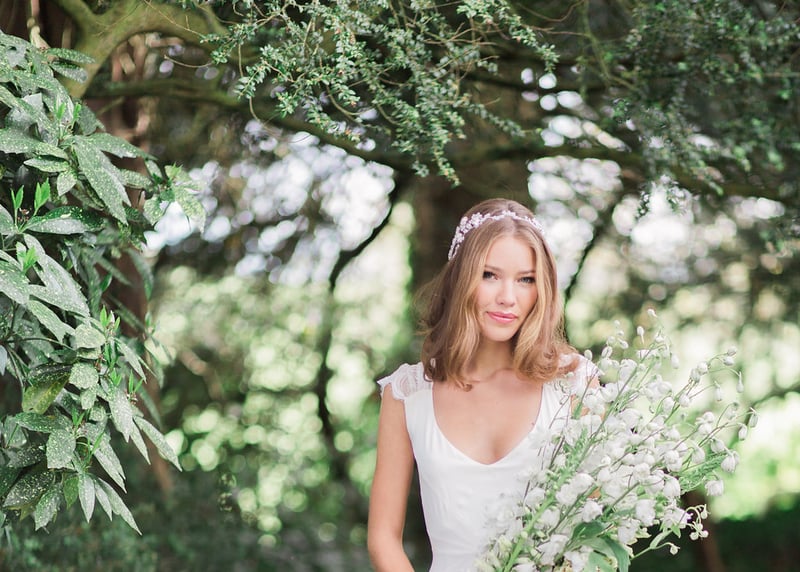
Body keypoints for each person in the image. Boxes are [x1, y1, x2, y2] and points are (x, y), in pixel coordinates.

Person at [367, 198, 598, 571]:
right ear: (461, 279)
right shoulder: (407, 393)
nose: (507, 297)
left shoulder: (573, 384)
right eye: (489, 275)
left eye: (525, 280)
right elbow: (383, 538)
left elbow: (595, 522)